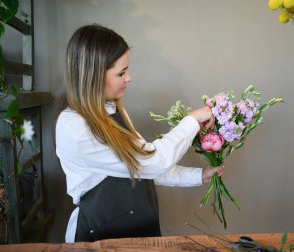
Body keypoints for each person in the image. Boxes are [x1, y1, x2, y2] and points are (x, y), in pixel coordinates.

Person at [55, 24, 225, 243]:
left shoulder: (114, 109)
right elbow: (152, 161)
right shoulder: (74, 127)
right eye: (121, 72)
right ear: (94, 76)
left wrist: (198, 176)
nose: (129, 78)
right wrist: (191, 121)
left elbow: (139, 165)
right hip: (101, 238)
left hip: (141, 231)